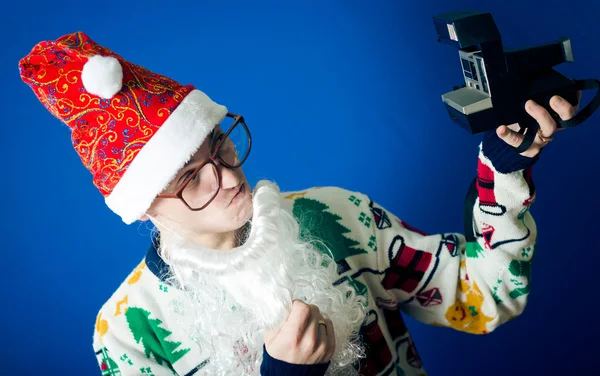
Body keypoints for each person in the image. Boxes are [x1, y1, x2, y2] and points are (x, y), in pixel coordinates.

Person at [19, 32, 580, 376]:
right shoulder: (125, 333)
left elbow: (484, 295)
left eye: (221, 146)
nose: (230, 179)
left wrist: (503, 170)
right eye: (192, 179)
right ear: (142, 208)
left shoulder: (337, 216)